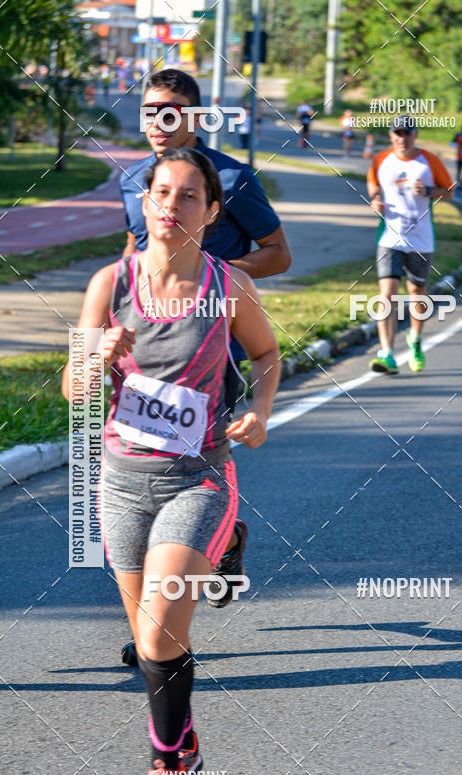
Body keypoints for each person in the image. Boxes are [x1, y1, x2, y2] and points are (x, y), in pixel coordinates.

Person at [62, 148, 281, 775]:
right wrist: (95, 359)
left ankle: (166, 770)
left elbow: (266, 353)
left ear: (212, 212)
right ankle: (183, 743)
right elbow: (72, 390)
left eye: (189, 196)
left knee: (158, 633)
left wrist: (259, 410)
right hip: (123, 481)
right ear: (145, 201)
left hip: (199, 478)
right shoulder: (110, 284)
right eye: (162, 192)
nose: (171, 205)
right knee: (155, 644)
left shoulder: (229, 285)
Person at [118, 69, 290, 646]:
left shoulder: (232, 179)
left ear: (195, 117)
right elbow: (135, 247)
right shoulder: (135, 180)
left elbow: (278, 253)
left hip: (213, 356)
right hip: (145, 351)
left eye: (170, 110)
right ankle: (217, 545)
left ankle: (161, 626)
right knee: (143, 467)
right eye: (149, 111)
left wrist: (215, 277)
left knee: (184, 469)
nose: (157, 122)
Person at [366, 116, 453, 374]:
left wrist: (429, 191)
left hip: (421, 238)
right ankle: (387, 354)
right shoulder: (381, 159)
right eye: (397, 133)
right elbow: (373, 182)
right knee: (387, 294)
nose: (402, 138)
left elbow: (449, 191)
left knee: (417, 293)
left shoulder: (429, 161)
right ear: (391, 135)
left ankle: (415, 339)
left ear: (415, 134)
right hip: (390, 237)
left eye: (407, 133)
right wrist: (375, 199)